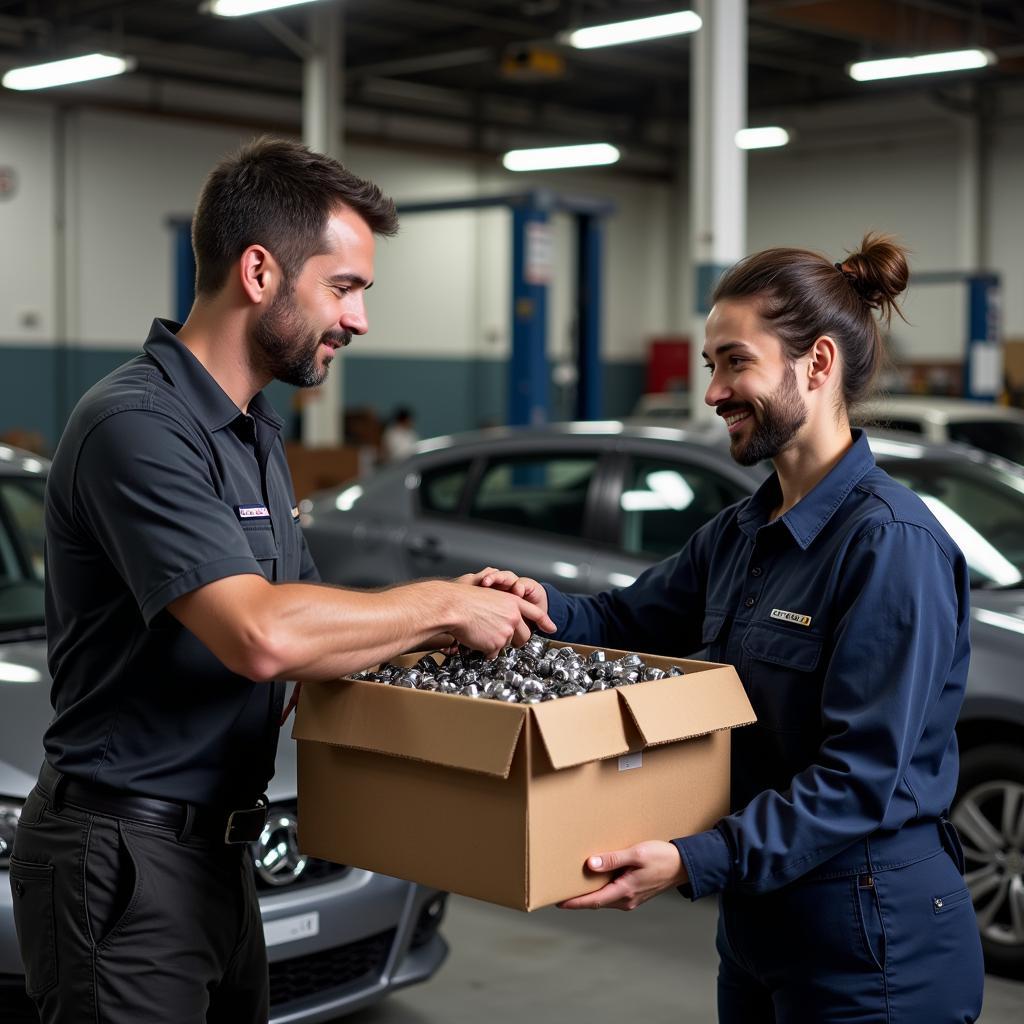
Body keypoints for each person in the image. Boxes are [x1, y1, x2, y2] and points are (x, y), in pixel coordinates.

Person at [9, 137, 552, 1024]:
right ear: (260, 272)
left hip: (224, 852)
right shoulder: (134, 426)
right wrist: (440, 604)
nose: (360, 320)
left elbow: (315, 643)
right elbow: (263, 636)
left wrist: (458, 626)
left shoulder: (255, 437)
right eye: (344, 288)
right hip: (120, 855)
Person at [470, 235, 985, 1022]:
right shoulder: (742, 533)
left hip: (873, 935)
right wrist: (532, 606)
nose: (712, 391)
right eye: (711, 364)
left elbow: (858, 780)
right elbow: (621, 620)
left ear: (817, 365)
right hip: (758, 920)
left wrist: (690, 858)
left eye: (734, 362)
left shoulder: (890, 546)